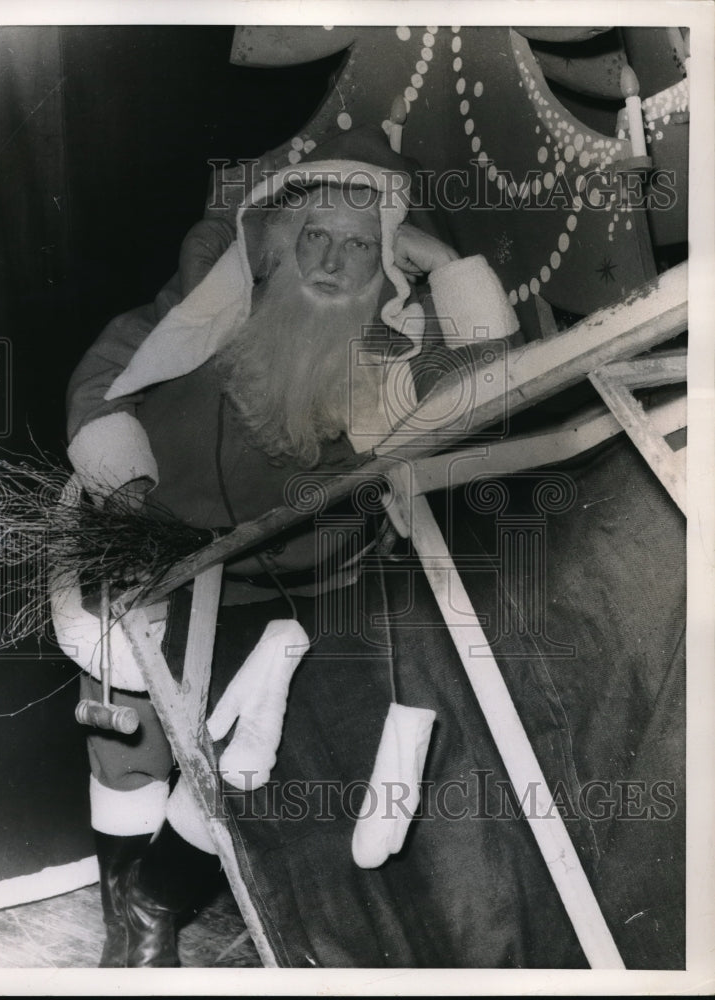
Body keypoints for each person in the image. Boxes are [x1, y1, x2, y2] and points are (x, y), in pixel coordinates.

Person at [53, 127, 520, 967]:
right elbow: (99, 380)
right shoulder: (200, 303)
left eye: (357, 245)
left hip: (285, 585)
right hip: (145, 556)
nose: (332, 262)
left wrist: (440, 260)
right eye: (315, 237)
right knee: (126, 739)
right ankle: (128, 933)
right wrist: (129, 494)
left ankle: (155, 904)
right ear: (275, 242)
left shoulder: (392, 351)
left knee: (239, 762)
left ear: (385, 263)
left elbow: (491, 389)